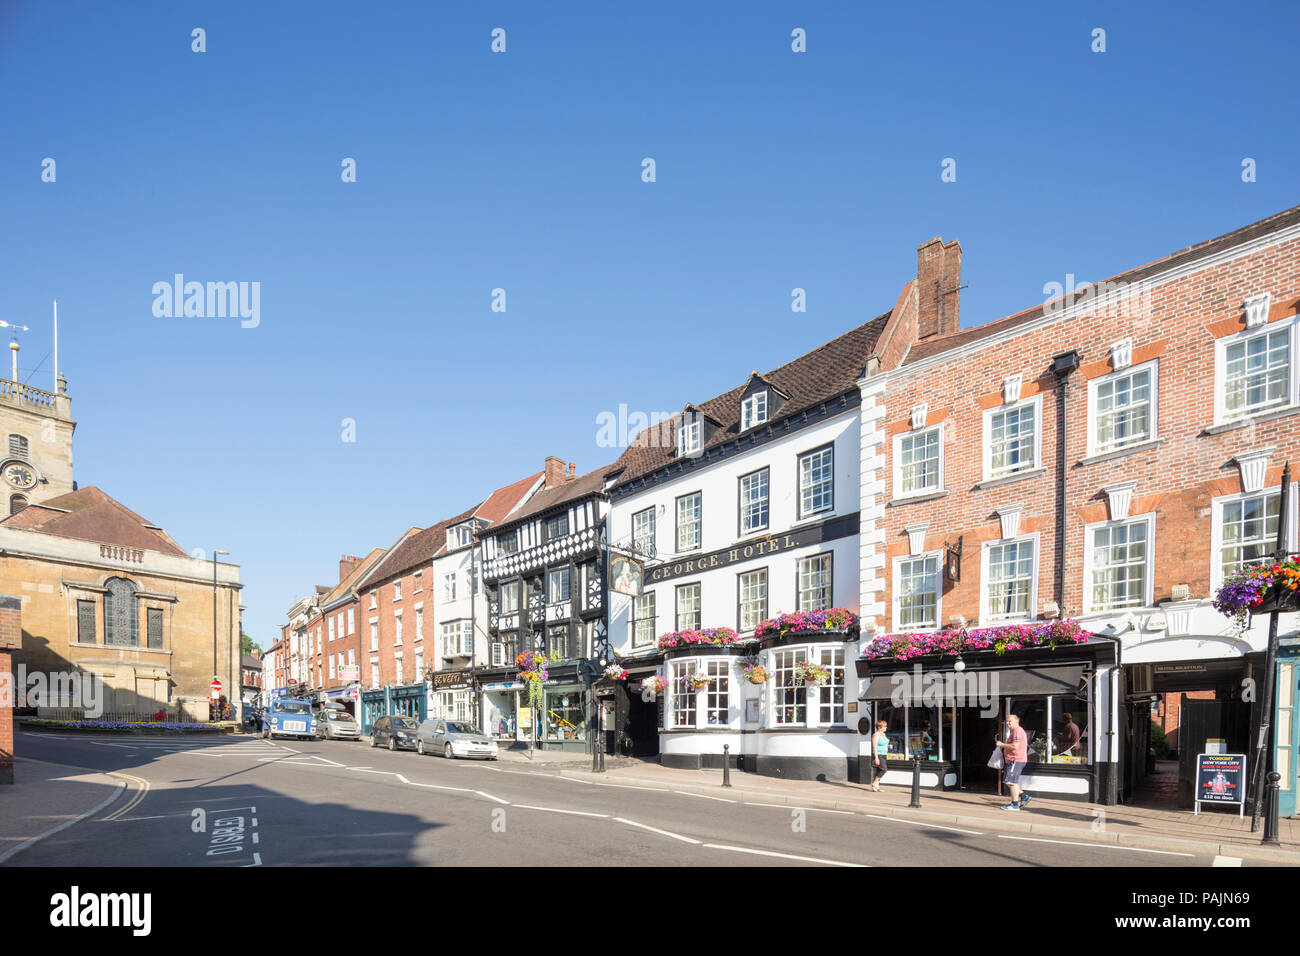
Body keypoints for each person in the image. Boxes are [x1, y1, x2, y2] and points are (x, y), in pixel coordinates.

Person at [993, 712, 1031, 810]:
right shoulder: (1014, 731)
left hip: (1016, 760)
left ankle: (1014, 805)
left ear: (1017, 721)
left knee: (1011, 782)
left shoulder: (1017, 731)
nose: (1008, 723)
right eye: (1007, 721)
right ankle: (1024, 796)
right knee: (1009, 781)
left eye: (1010, 721)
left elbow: (1015, 746)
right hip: (1013, 760)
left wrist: (1002, 745)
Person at [870, 719, 890, 792]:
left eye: (886, 726)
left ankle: (876, 787)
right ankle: (875, 782)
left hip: (884, 754)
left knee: (879, 770)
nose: (886, 728)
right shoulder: (875, 735)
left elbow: (884, 743)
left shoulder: (883, 734)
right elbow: (875, 746)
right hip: (879, 755)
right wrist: (876, 758)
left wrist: (888, 746)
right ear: (879, 727)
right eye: (884, 726)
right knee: (884, 769)